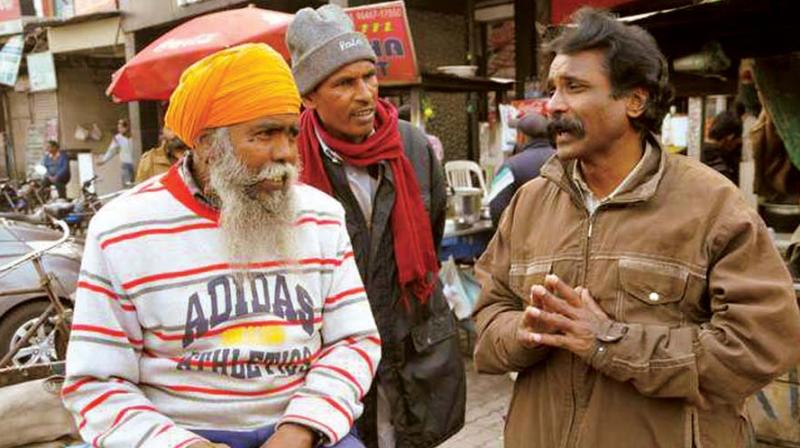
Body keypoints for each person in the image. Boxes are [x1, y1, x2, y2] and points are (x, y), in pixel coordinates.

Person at [472, 8, 800, 448]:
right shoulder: (530, 203)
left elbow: (761, 345)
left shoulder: (712, 205)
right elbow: (489, 318)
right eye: (553, 88)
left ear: (635, 101)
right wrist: (527, 332)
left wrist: (608, 342)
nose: (553, 105)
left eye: (575, 87)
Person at [62, 43, 380, 448]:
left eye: (291, 133)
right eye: (264, 134)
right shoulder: (122, 229)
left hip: (304, 430)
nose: (284, 154)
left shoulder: (321, 216)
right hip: (176, 434)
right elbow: (96, 381)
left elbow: (354, 342)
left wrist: (300, 429)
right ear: (207, 144)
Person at [286, 6, 465, 448]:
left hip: (413, 352)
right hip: (335, 362)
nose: (365, 94)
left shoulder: (413, 146)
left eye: (369, 76)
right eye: (344, 83)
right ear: (309, 96)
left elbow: (432, 232)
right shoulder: (292, 162)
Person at [486, 112, 555, 226]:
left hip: (526, 238)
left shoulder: (511, 166)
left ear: (521, 136)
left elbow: (496, 209)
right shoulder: (566, 161)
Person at [701, 110, 742, 184]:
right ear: (730, 137)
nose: (736, 146)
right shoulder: (721, 168)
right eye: (737, 142)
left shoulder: (696, 152)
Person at [98, 118, 135, 186]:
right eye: (118, 128)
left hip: (136, 163)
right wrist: (104, 160)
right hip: (125, 164)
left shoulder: (135, 137)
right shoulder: (118, 138)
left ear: (127, 127)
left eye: (121, 127)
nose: (119, 129)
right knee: (127, 184)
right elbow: (111, 150)